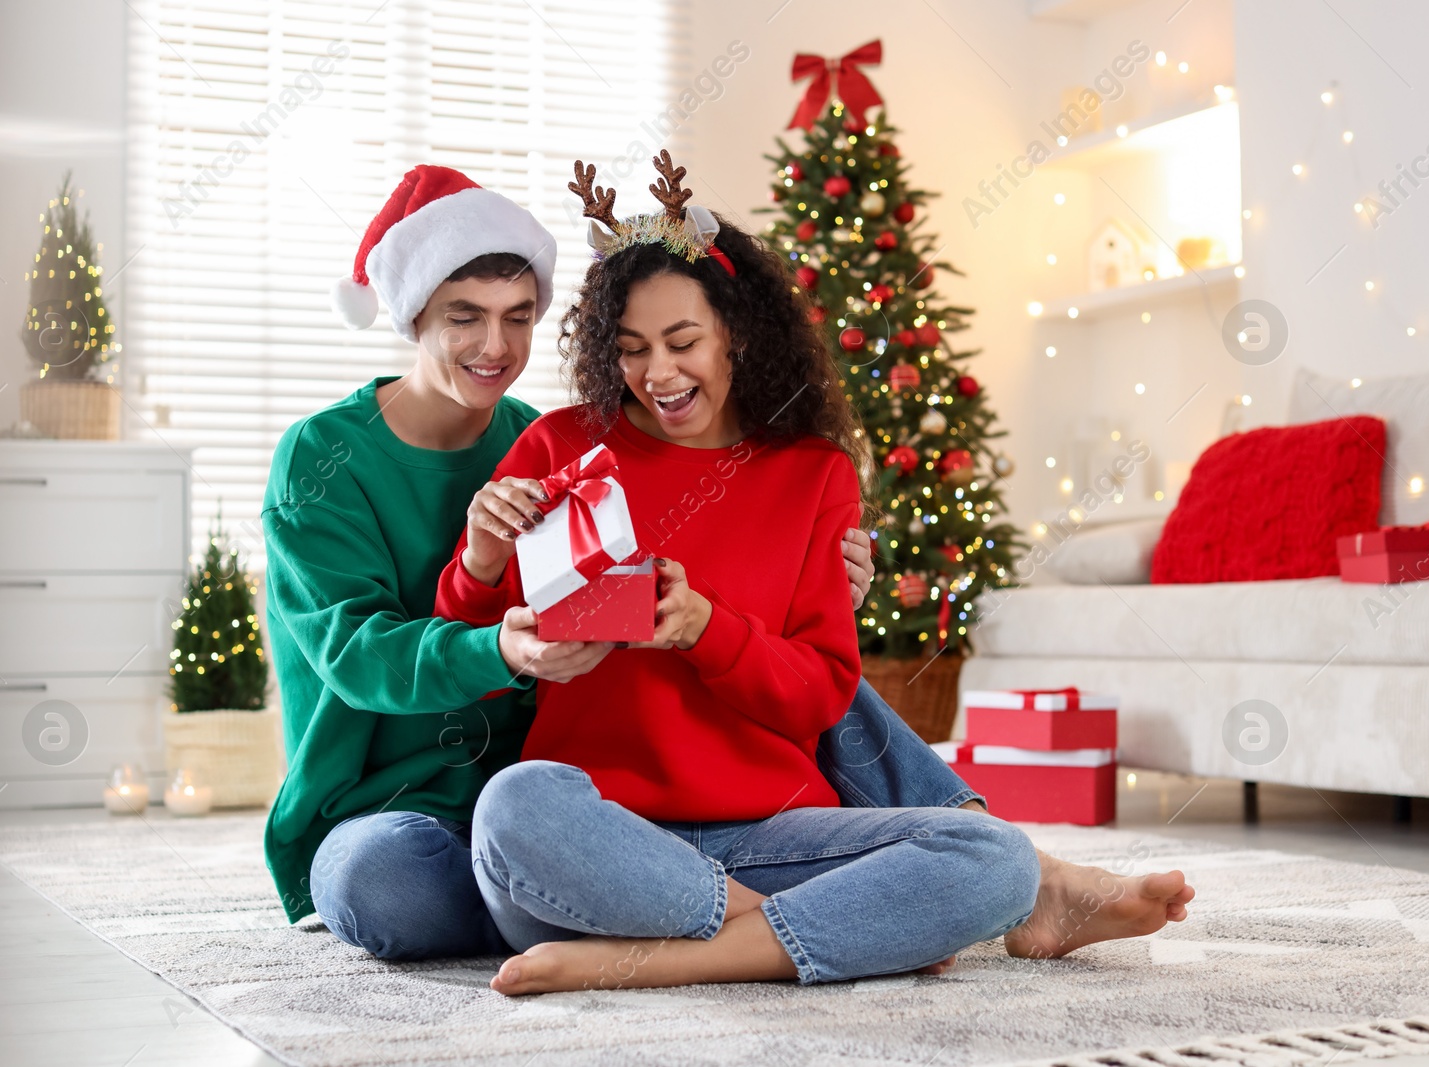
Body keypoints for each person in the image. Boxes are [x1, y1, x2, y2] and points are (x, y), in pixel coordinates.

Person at [436, 154, 1193, 994]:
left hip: (769, 835)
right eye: (632, 349)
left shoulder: (813, 473)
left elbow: (822, 695)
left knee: (995, 858)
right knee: (513, 807)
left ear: (739, 334)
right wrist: (481, 558)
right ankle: (829, 931)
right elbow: (480, 667)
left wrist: (704, 628)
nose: (658, 374)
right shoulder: (561, 447)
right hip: (599, 846)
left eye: (683, 342)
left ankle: (656, 960)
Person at [261, 163, 877, 957]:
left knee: (825, 669)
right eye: (464, 319)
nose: (496, 345)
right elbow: (357, 656)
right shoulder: (325, 457)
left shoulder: (544, 434)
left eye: (518, 317)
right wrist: (498, 630)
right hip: (404, 798)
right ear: (412, 316)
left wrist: (818, 578)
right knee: (383, 887)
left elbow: (692, 570)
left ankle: (973, 841)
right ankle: (645, 899)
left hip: (539, 777)